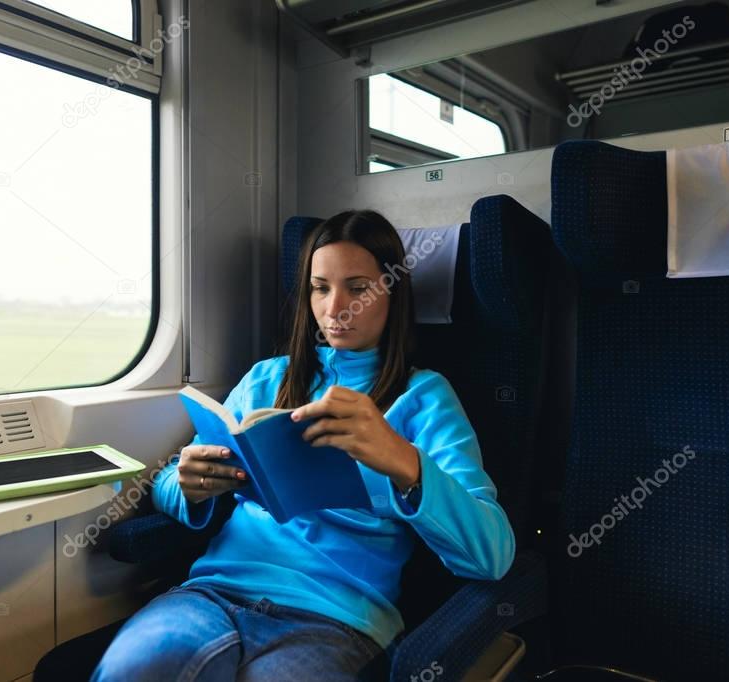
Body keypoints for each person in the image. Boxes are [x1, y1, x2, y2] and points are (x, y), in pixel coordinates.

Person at [91, 209, 515, 681]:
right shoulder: (267, 378)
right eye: (320, 288)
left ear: (391, 293)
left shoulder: (424, 397)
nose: (336, 309)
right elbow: (170, 484)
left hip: (335, 619)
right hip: (213, 594)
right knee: (128, 672)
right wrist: (186, 486)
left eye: (358, 288)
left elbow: (492, 555)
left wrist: (403, 461)